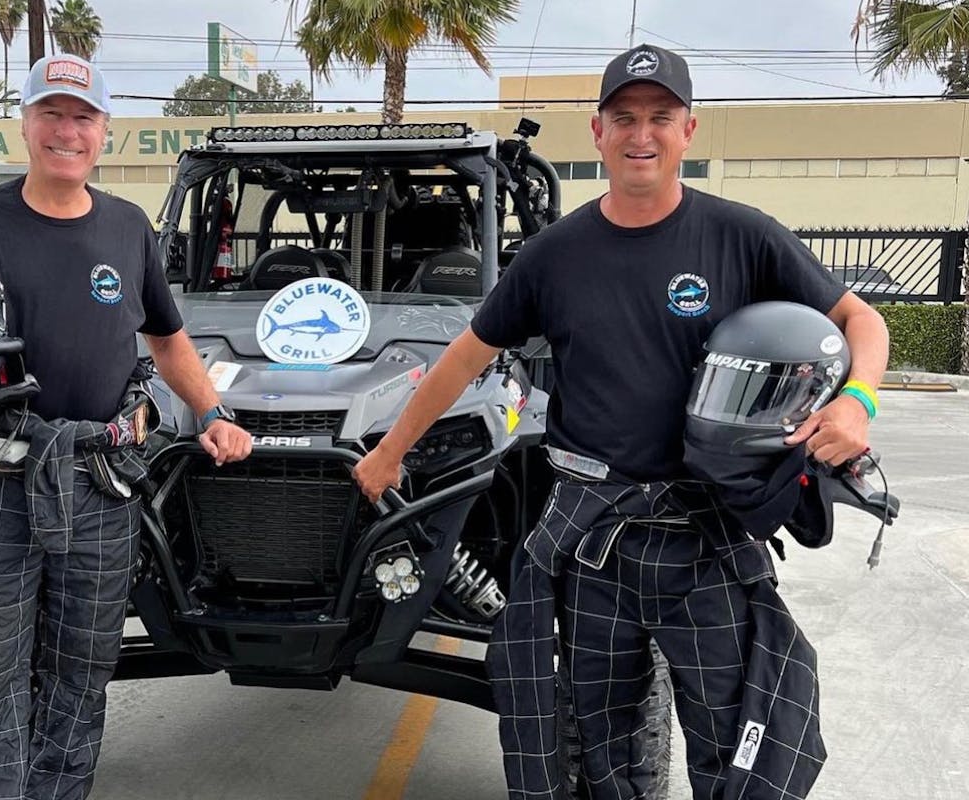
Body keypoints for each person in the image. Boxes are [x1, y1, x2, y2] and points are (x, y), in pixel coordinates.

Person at [354, 44, 889, 800]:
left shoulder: (743, 235)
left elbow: (860, 320)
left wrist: (857, 400)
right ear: (598, 133)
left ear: (689, 131)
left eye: (661, 118)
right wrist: (391, 452)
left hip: (705, 536)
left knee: (734, 743)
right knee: (595, 749)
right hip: (592, 543)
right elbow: (463, 358)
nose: (643, 134)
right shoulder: (553, 256)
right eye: (625, 118)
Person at [0, 54, 252, 799]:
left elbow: (166, 339)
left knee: (81, 675)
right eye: (51, 113)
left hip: (102, 483)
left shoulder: (129, 229)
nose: (66, 131)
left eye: (83, 117)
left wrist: (214, 412)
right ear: (26, 122)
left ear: (105, 132)